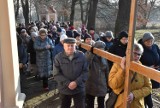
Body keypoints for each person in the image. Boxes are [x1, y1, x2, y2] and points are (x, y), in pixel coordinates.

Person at [108, 43, 152, 108]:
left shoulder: (143, 69)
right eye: (134, 53)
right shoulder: (117, 65)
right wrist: (122, 70)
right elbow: (113, 84)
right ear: (128, 53)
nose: (137, 56)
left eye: (139, 54)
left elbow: (148, 88)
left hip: (137, 105)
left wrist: (134, 94)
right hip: (120, 104)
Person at [53, 38, 88, 108]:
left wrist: (76, 82)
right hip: (64, 89)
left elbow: (86, 72)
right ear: (64, 46)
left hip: (79, 88)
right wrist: (68, 83)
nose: (70, 47)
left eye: (72, 45)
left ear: (75, 46)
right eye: (68, 45)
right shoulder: (58, 57)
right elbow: (56, 74)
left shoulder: (82, 56)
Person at [138, 32, 160, 108]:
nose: (149, 43)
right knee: (147, 90)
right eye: (147, 41)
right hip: (145, 74)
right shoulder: (140, 48)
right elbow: (137, 62)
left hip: (155, 72)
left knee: (151, 89)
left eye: (151, 41)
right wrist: (148, 67)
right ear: (144, 41)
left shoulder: (155, 47)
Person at [85, 41, 109, 108]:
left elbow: (107, 71)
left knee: (101, 104)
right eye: (99, 49)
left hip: (102, 84)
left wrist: (108, 83)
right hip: (90, 84)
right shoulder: (89, 55)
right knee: (90, 103)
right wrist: (91, 53)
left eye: (102, 49)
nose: (101, 51)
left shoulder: (104, 58)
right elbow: (86, 64)